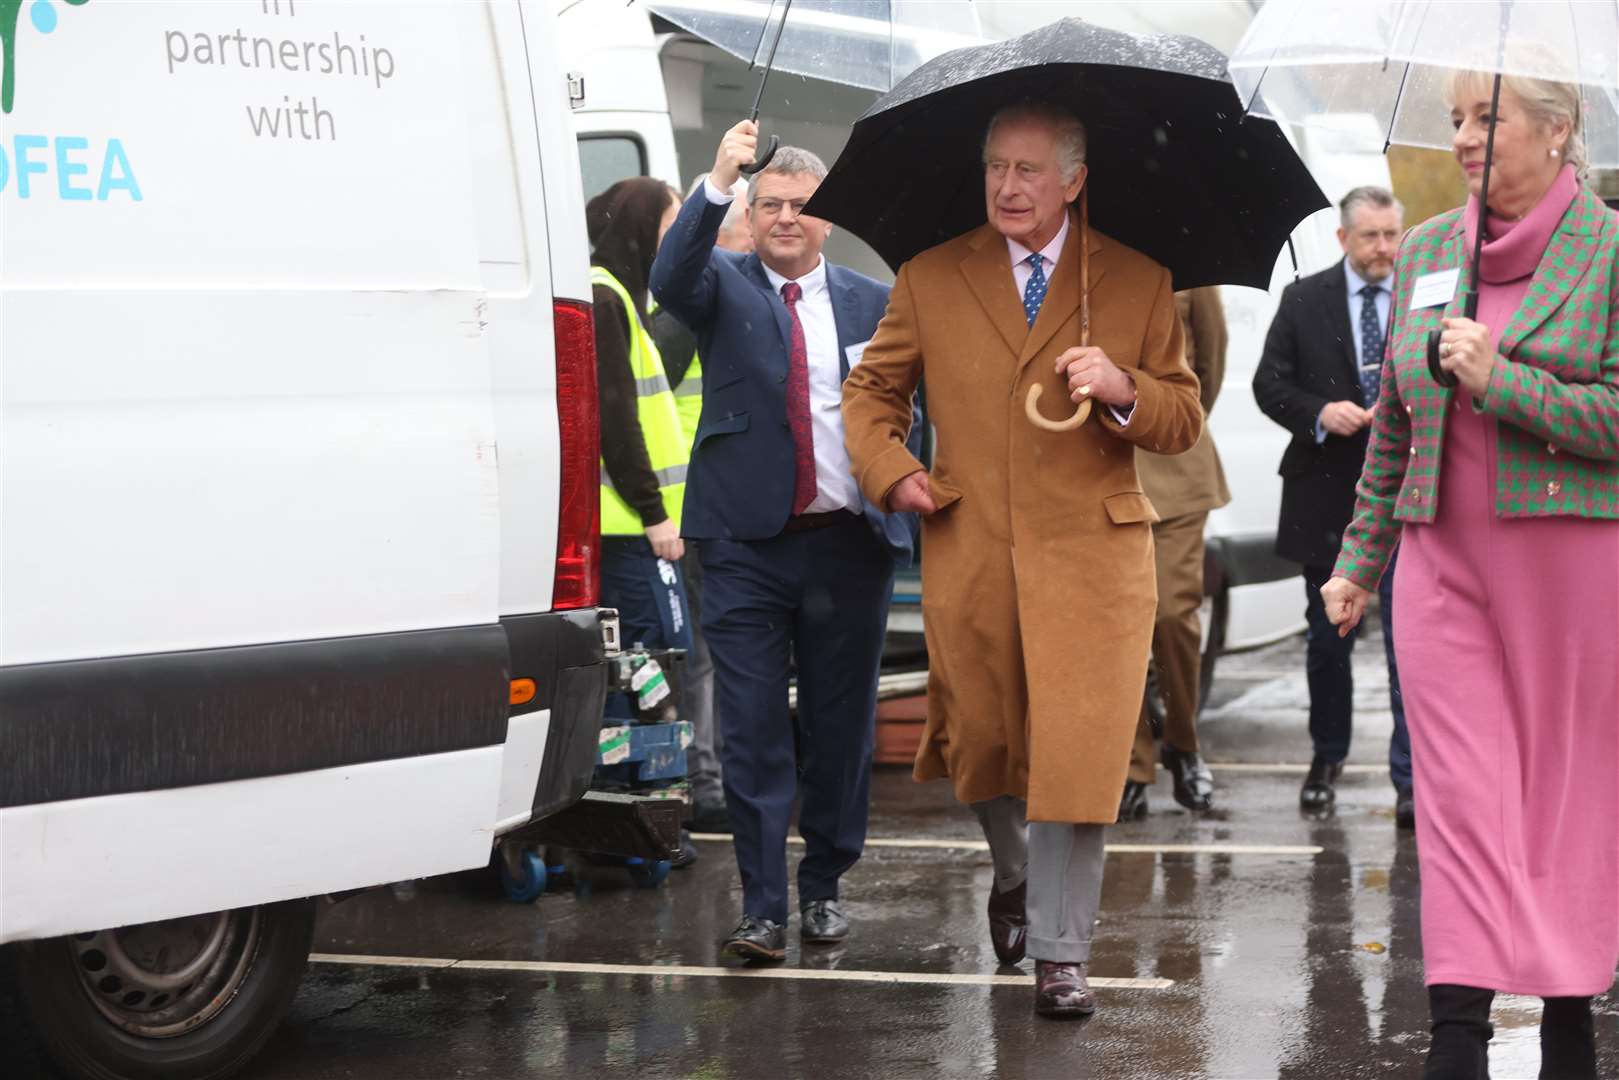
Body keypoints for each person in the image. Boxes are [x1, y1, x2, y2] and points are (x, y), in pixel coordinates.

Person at [842, 101, 1202, 1018]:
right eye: (996, 167)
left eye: (1029, 171)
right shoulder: (930, 275)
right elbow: (871, 390)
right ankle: (1014, 873)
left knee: (1080, 754)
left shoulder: (1136, 277)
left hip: (1095, 553)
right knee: (987, 742)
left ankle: (1060, 951)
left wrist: (1123, 389)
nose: (1007, 186)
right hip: (974, 545)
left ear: (1074, 181)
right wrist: (894, 472)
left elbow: (1181, 415)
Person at [1322, 69, 1619, 1079]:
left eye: (1484, 117)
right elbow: (1393, 428)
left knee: (1563, 800)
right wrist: (1358, 563)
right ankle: (1455, 1033)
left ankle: (1569, 1025)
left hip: (1570, 574)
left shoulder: (1610, 251)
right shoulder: (1425, 251)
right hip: (1439, 567)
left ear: (1555, 129)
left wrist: (1506, 382)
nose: (1461, 137)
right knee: (1457, 799)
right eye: (1454, 118)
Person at [649, 122, 919, 962]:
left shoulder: (876, 304)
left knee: (840, 730)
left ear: (826, 218)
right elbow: (668, 274)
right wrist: (719, 181)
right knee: (753, 728)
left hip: (848, 546)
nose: (786, 219)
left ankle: (826, 887)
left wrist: (915, 493)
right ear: (753, 214)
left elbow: (917, 410)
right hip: (742, 546)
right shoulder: (720, 284)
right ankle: (762, 906)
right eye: (771, 206)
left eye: (801, 206)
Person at [1252, 186, 1413, 824]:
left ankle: (1410, 780)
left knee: (1408, 643)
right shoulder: (1303, 299)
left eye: (1392, 235)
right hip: (1325, 498)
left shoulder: (1424, 294)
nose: (1383, 249)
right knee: (1328, 642)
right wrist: (1319, 413)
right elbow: (1269, 384)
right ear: (1344, 239)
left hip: (1405, 496)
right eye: (1371, 236)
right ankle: (1328, 756)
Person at [588, 177, 699, 863]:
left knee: (638, 671)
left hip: (633, 528)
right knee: (648, 670)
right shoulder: (607, 298)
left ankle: (638, 819)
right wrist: (656, 514)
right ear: (640, 231)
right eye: (670, 227)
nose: (676, 241)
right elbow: (616, 423)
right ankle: (643, 827)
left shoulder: (622, 297)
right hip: (631, 529)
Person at [648, 173, 752, 838]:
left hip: (714, 514)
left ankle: (709, 776)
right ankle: (702, 780)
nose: (758, 233)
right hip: (688, 519)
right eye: (749, 220)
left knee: (714, 657)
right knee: (701, 658)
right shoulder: (688, 315)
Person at [1120, 287, 1231, 820]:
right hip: (1101, 470)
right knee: (1119, 627)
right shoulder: (1081, 252)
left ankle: (1182, 742)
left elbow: (1209, 363)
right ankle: (1132, 764)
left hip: (1176, 469)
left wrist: (1168, 422)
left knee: (1171, 615)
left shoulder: (1191, 258)